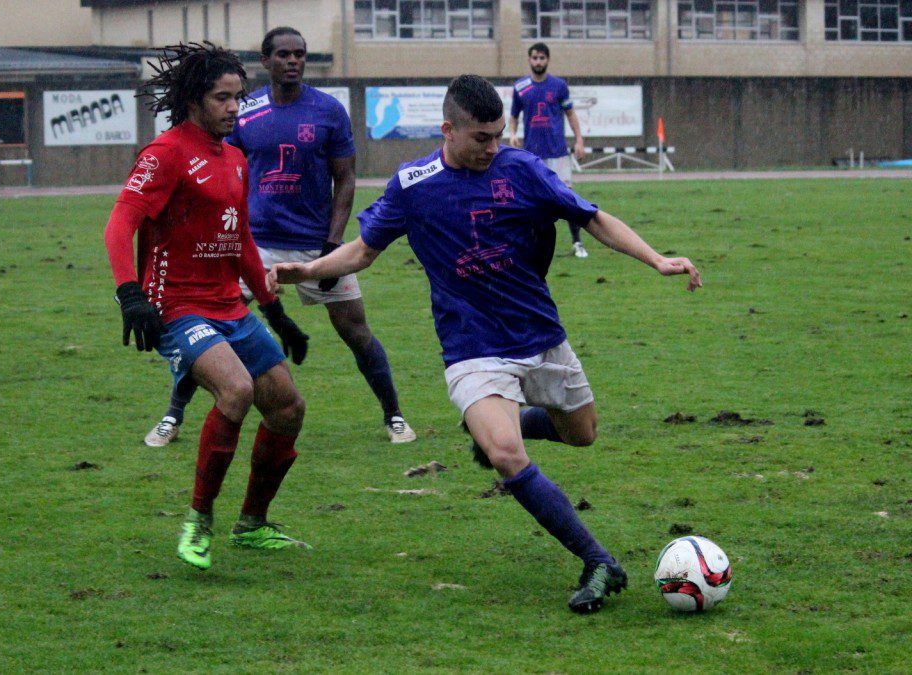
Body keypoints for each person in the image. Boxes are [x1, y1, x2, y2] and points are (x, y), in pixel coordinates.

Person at [266, 74, 702, 613]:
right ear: (447, 129)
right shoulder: (413, 184)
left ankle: (506, 419)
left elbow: (591, 219)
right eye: (481, 138)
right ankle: (598, 561)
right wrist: (307, 268)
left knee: (582, 433)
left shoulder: (520, 169)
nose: (493, 147)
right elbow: (361, 251)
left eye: (498, 135)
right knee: (504, 455)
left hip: (540, 333)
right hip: (471, 344)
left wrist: (657, 258)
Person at [145, 26, 415, 447]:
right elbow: (222, 172)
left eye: (300, 54)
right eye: (284, 54)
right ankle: (172, 417)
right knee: (213, 330)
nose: (293, 61)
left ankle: (394, 415)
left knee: (356, 330)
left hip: (316, 245)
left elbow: (345, 179)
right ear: (266, 61)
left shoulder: (328, 111)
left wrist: (332, 244)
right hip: (255, 246)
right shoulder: (244, 111)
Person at [105, 43, 313, 571]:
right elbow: (120, 224)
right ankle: (199, 520)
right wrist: (130, 295)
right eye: (223, 98)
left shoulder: (237, 159)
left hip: (230, 307)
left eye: (238, 98)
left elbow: (240, 241)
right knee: (237, 390)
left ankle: (253, 523)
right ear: (195, 99)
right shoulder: (166, 153)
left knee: (288, 407)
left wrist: (275, 311)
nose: (233, 108)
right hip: (176, 308)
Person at [509, 42, 589, 259]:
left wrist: (579, 140)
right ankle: (530, 244)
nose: (538, 62)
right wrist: (513, 134)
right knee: (531, 201)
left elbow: (570, 114)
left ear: (548, 60)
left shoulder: (559, 86)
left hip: (558, 153)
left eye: (542, 58)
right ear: (529, 60)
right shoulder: (521, 87)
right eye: (534, 58)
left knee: (568, 198)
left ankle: (577, 242)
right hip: (532, 155)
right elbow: (514, 116)